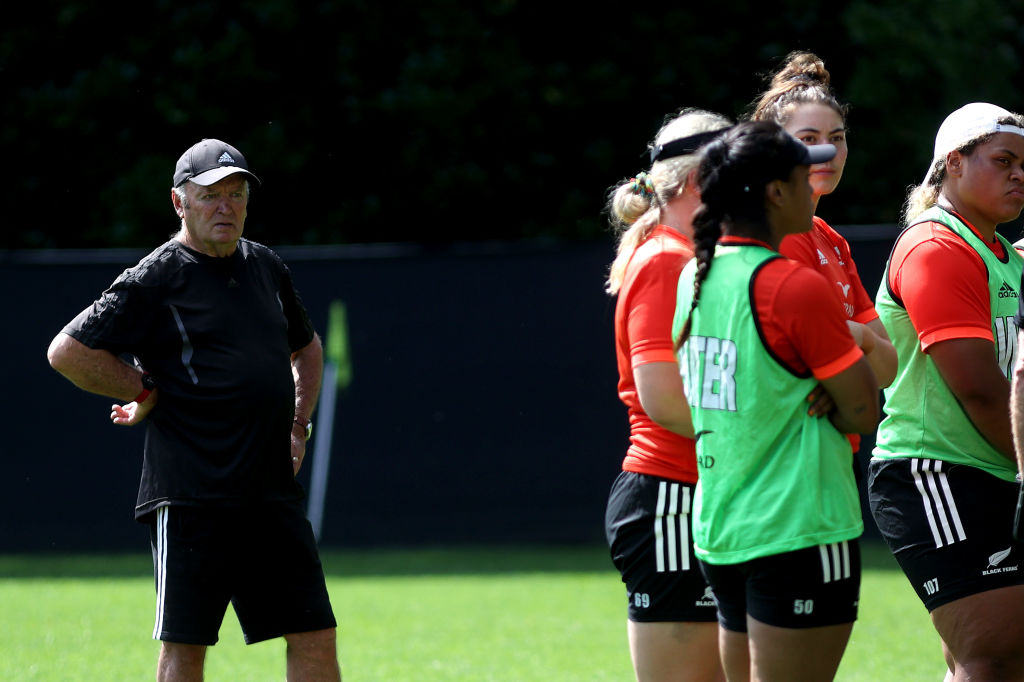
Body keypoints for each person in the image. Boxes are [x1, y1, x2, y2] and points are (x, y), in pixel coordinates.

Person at [46, 139, 342, 682]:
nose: (225, 206)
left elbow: (309, 348)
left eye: (236, 193)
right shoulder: (156, 276)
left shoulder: (266, 267)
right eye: (210, 196)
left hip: (271, 492)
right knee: (187, 647)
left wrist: (298, 425)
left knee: (315, 635)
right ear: (180, 204)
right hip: (192, 496)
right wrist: (143, 387)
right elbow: (66, 351)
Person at [672, 120, 879, 682]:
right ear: (775, 192)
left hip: (723, 529)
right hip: (799, 526)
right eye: (799, 170)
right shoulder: (792, 284)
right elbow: (866, 409)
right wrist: (829, 393)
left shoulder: (694, 275)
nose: (814, 178)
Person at [868, 102, 1024, 681]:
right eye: (1003, 160)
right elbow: (979, 391)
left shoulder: (999, 252)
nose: (1019, 175)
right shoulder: (937, 246)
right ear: (953, 164)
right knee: (995, 651)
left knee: (998, 657)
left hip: (988, 469)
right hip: (937, 473)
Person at [603, 107, 732, 682]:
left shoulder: (688, 255)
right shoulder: (665, 260)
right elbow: (663, 399)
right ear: (703, 179)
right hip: (671, 497)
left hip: (699, 492)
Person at [751, 51, 897, 408]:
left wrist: (857, 334)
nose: (828, 151)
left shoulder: (830, 239)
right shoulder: (769, 233)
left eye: (837, 136)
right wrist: (857, 353)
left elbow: (889, 368)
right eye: (808, 138)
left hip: (833, 452)